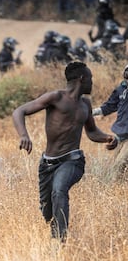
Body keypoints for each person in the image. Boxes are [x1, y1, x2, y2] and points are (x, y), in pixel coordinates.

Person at [12, 61, 117, 243]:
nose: (92, 83)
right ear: (81, 79)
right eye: (90, 79)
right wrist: (24, 135)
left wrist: (108, 138)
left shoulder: (85, 104)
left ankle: (59, 242)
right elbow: (19, 111)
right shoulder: (56, 97)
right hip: (47, 164)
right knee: (47, 212)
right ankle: (55, 229)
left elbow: (91, 132)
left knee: (59, 191)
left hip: (72, 160)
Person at [92, 64, 128, 181]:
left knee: (119, 165)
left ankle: (114, 189)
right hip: (121, 133)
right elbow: (109, 106)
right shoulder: (121, 89)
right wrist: (90, 112)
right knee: (115, 165)